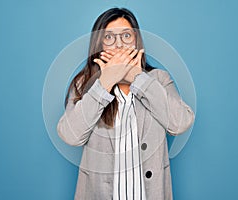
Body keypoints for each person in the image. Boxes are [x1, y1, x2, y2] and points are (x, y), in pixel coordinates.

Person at [57, 7, 195, 200]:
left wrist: (138, 77)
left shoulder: (159, 79)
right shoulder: (84, 84)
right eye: (109, 38)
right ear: (99, 45)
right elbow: (71, 135)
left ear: (137, 41)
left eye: (126, 35)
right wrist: (104, 83)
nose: (119, 44)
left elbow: (180, 123)